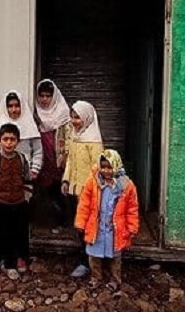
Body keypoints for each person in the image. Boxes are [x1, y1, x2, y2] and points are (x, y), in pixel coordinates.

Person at [0, 90, 42, 273]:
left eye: (17, 105)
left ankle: (17, 260)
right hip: (2, 191)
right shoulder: (0, 126)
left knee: (19, 230)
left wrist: (32, 174)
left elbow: (38, 151)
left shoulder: (29, 125)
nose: (14, 109)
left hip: (22, 184)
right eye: (10, 106)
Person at [75, 149, 140, 291]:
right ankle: (95, 277)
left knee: (115, 257)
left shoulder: (126, 186)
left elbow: (132, 209)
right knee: (93, 256)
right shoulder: (93, 182)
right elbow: (84, 204)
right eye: (103, 167)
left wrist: (132, 227)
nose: (106, 171)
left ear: (116, 166)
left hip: (115, 229)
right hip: (96, 228)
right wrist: (81, 222)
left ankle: (115, 280)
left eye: (109, 167)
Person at [0, 123, 33, 284]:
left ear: (17, 141)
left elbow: (28, 181)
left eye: (12, 139)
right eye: (5, 139)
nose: (9, 142)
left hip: (18, 205)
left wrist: (26, 198)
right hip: (0, 206)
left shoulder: (22, 160)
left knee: (15, 236)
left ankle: (10, 265)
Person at [59, 100, 104, 277]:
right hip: (75, 191)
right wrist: (66, 181)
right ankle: (85, 259)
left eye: (77, 117)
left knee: (88, 227)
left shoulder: (94, 142)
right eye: (72, 117)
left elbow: (97, 168)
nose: (74, 121)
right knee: (79, 227)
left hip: (88, 193)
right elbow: (70, 162)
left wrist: (88, 191)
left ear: (87, 117)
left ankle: (88, 263)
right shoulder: (76, 137)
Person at [33, 79, 70, 233]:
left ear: (54, 96)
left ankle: (62, 222)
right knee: (45, 192)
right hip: (43, 160)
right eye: (41, 96)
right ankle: (48, 221)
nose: (44, 99)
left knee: (60, 193)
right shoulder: (35, 114)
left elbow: (69, 138)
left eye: (48, 96)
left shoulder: (63, 113)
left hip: (59, 161)